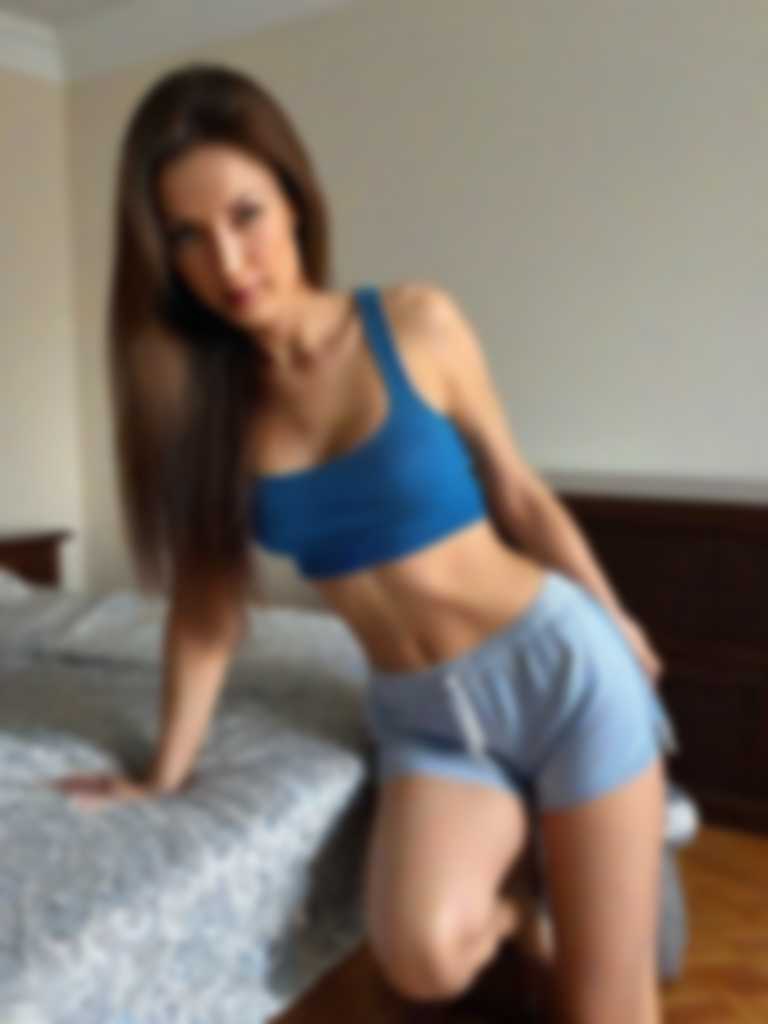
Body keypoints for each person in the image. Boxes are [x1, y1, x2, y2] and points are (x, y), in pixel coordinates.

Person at [52, 62, 677, 1022]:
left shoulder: (417, 325)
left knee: (605, 1007)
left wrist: (615, 617)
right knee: (420, 959)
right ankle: (530, 900)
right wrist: (162, 776)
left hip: (556, 669)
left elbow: (519, 494)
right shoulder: (211, 419)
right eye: (188, 237)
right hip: (425, 719)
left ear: (296, 202)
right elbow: (206, 618)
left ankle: (609, 862)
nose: (229, 261)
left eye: (247, 215)